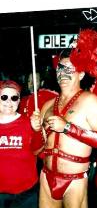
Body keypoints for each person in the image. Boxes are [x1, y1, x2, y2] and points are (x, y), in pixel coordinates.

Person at [39, 23, 97, 208]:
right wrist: (35, 128)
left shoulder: (89, 100)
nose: (63, 73)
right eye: (60, 69)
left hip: (74, 180)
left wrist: (67, 127)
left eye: (70, 69)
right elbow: (37, 148)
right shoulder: (47, 105)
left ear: (82, 74)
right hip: (46, 176)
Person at [0, 80, 44, 208]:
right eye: (4, 97)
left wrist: (37, 130)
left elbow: (38, 150)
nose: (9, 102)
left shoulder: (28, 123)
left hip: (26, 193)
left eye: (14, 98)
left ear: (19, 101)